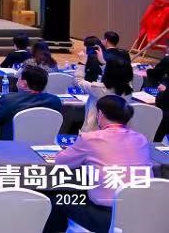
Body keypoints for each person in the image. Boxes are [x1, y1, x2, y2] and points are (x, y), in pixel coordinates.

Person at [45, 95, 152, 233]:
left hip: (106, 217)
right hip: (140, 213)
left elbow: (60, 162)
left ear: (100, 114)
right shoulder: (141, 139)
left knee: (57, 198)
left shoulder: (91, 138)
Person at [0, 65, 62, 140]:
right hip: (44, 142)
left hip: (9, 142)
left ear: (24, 84)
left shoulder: (8, 100)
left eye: (19, 78)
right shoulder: (55, 101)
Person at [74, 50, 133, 133]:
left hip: (93, 132)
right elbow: (117, 74)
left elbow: (78, 81)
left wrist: (82, 63)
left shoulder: (99, 89)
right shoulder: (129, 89)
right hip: (118, 132)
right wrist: (103, 63)